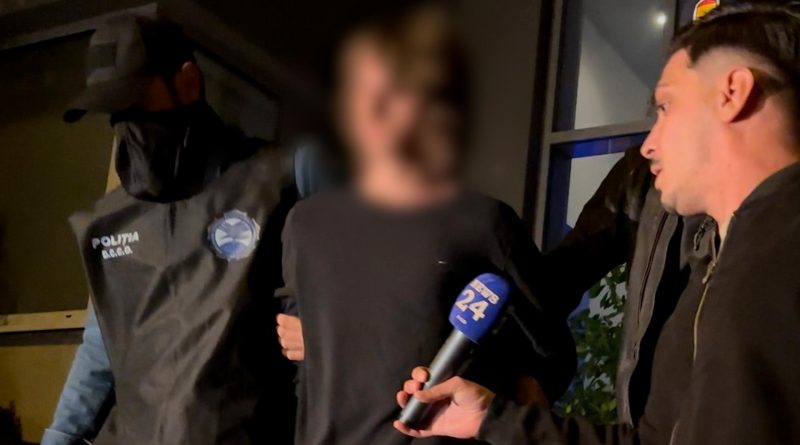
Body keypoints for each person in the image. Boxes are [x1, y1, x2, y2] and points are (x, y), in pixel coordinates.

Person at [395, 3, 800, 444]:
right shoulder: (711, 277)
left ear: (732, 92)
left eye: (666, 106)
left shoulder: (776, 258)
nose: (648, 145)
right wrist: (494, 419)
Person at [276, 4, 576, 445]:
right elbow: (297, 344)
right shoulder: (305, 224)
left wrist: (514, 385)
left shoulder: (483, 222)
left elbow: (551, 351)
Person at [43, 15, 302, 445]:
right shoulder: (109, 222)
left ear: (188, 83)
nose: (127, 123)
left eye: (137, 100)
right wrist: (61, 435)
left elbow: (324, 313)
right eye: (114, 111)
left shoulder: (275, 184)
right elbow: (102, 341)